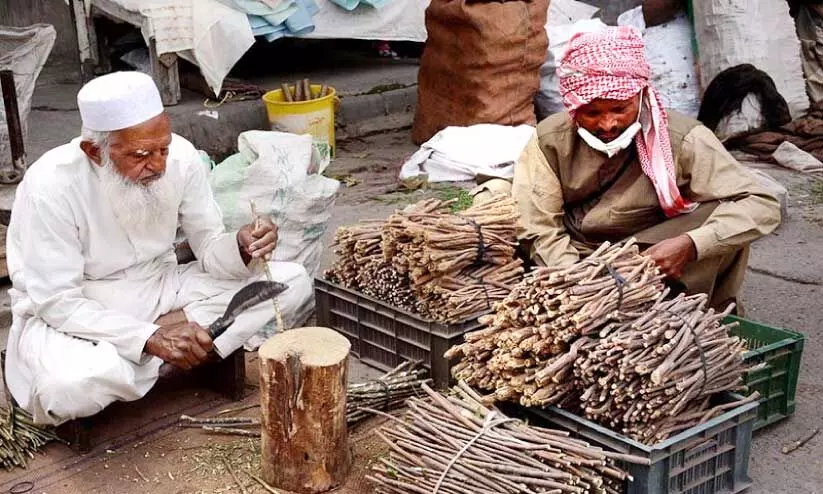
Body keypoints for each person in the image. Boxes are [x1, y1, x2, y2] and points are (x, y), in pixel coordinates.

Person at [4, 72, 313, 425]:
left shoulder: (180, 159)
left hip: (162, 285)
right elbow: (56, 301)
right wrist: (147, 337)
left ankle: (155, 352)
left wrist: (240, 248)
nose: (158, 164)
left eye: (162, 148)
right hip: (82, 309)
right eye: (140, 155)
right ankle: (167, 347)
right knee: (69, 387)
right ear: (94, 152)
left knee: (292, 282)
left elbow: (209, 248)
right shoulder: (50, 185)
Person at [477, 27, 781, 311]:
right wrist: (578, 283)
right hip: (577, 251)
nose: (607, 124)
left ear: (640, 96)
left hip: (649, 249)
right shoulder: (550, 140)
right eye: (592, 113)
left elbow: (761, 203)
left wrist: (692, 244)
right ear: (572, 108)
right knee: (497, 200)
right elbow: (540, 227)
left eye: (620, 109)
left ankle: (712, 315)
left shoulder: (683, 138)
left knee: (726, 220)